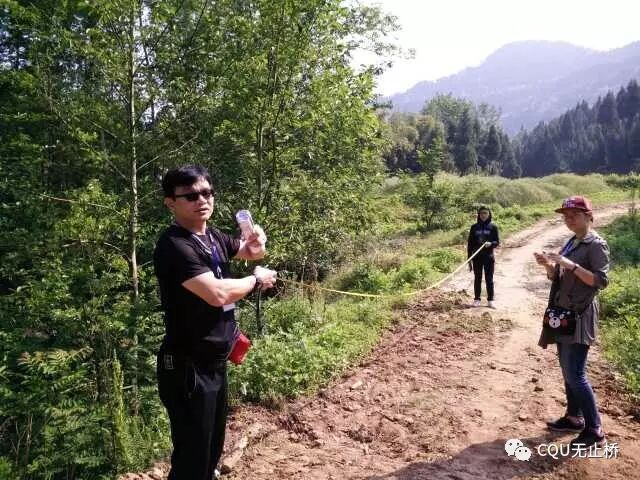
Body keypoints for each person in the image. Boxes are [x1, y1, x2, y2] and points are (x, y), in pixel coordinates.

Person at [153, 165, 277, 480]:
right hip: (187, 367)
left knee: (210, 451)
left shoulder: (213, 236)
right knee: (192, 458)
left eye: (207, 192)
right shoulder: (175, 245)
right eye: (191, 195)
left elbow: (251, 252)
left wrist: (257, 240)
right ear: (170, 203)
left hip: (214, 362)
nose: (202, 200)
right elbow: (218, 293)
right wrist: (256, 279)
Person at [533, 196, 610, 448]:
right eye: (565, 216)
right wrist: (549, 266)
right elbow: (559, 276)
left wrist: (569, 263)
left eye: (574, 215)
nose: (568, 220)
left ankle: (594, 429)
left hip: (580, 314)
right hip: (563, 313)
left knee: (576, 373)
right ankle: (574, 417)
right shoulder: (572, 241)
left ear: (589, 216)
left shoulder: (596, 244)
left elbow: (600, 281)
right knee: (567, 371)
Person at [467, 206, 500, 308]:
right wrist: (469, 259)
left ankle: (490, 300)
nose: (483, 215)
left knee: (489, 279)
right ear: (479, 214)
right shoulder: (474, 227)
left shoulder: (493, 227)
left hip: (488, 257)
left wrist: (491, 244)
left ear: (489, 214)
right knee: (477, 278)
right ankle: (477, 299)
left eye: (485, 213)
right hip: (477, 257)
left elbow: (497, 242)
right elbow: (470, 244)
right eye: (481, 213)